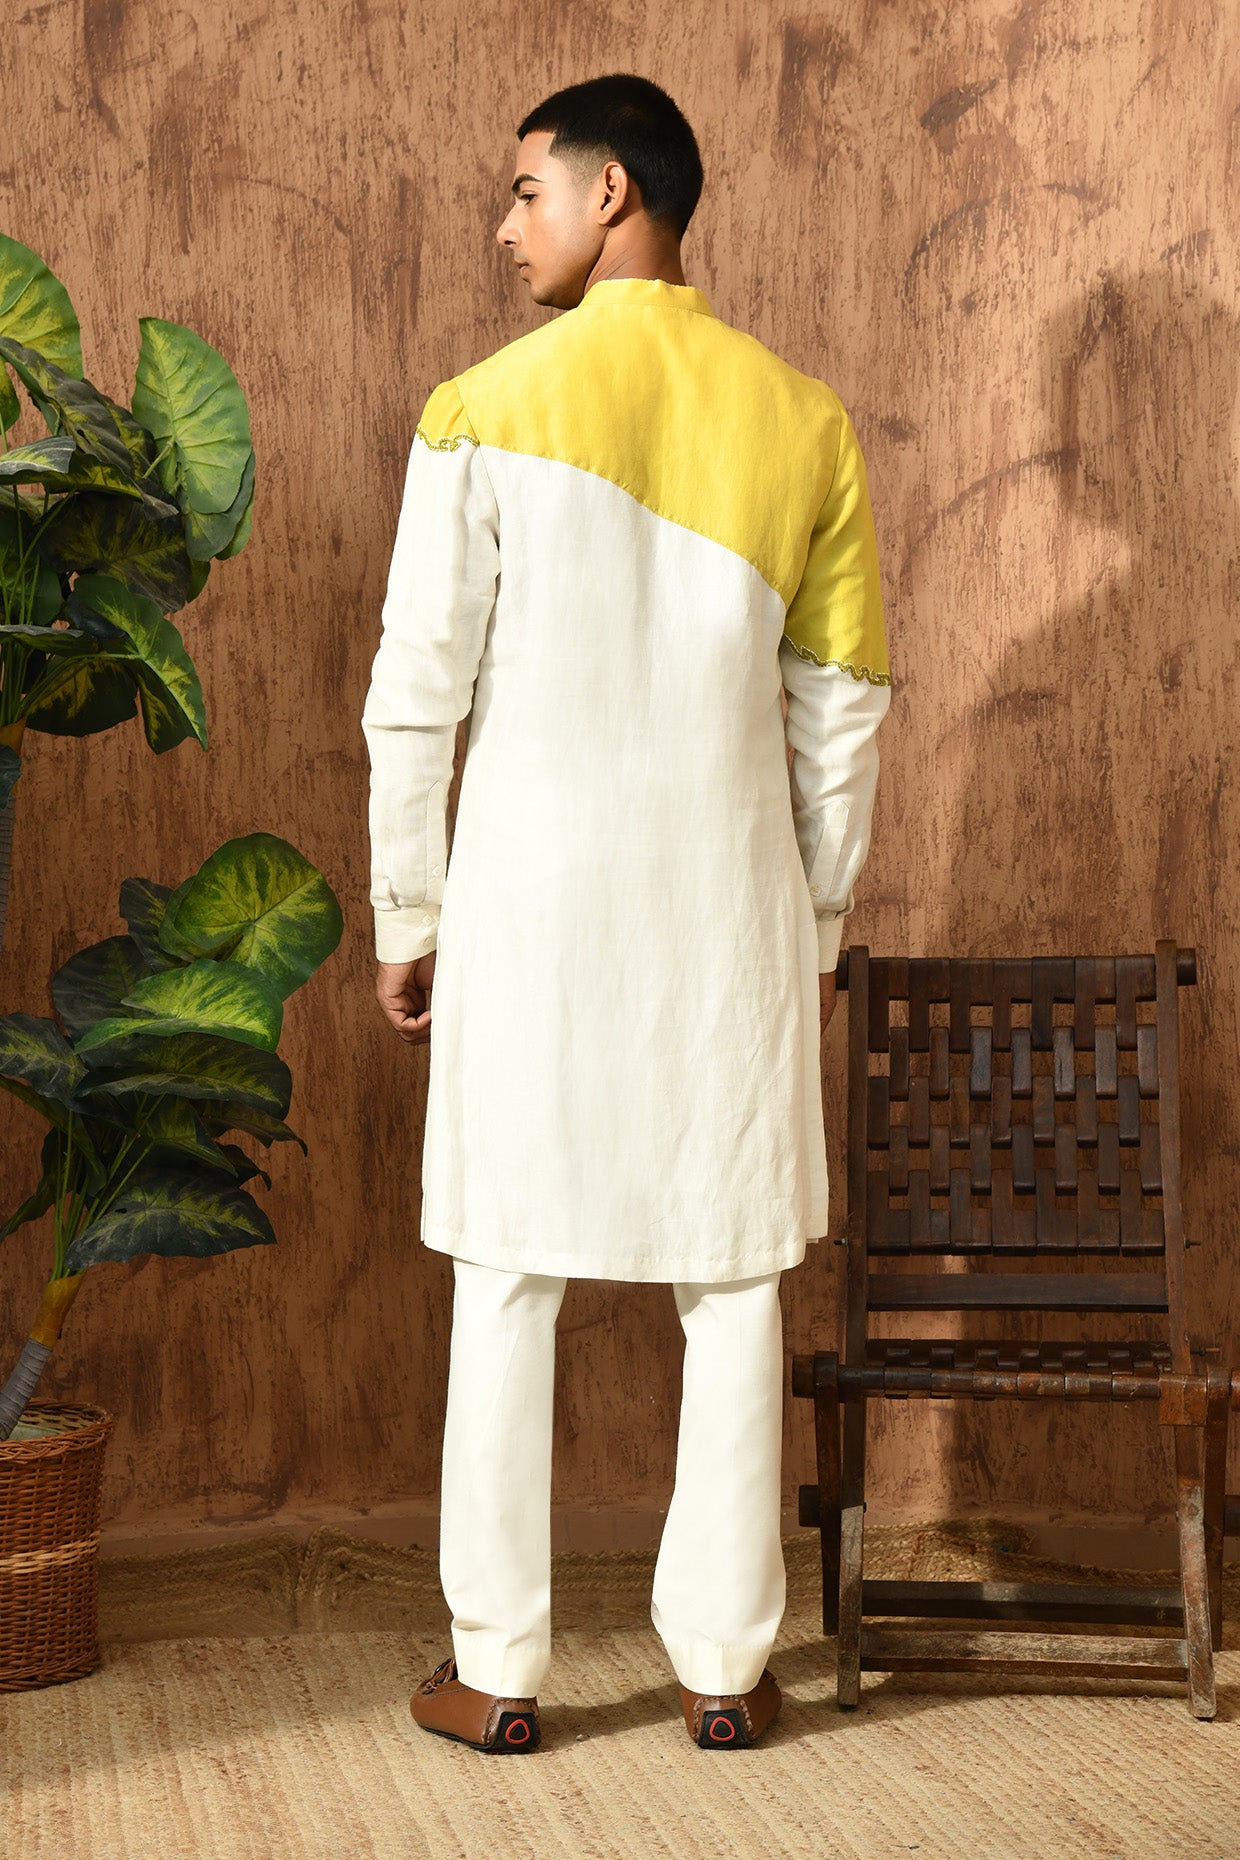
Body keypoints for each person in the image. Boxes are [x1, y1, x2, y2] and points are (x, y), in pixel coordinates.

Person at [361, 72, 890, 1754]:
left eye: (526, 190)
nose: (505, 225)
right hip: (730, 925)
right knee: (732, 1285)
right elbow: (844, 716)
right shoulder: (806, 423)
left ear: (611, 195)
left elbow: (416, 692)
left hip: (528, 919)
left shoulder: (481, 408)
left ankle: (499, 1672)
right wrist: (812, 933)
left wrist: (408, 908)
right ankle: (725, 1668)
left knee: (507, 1272)